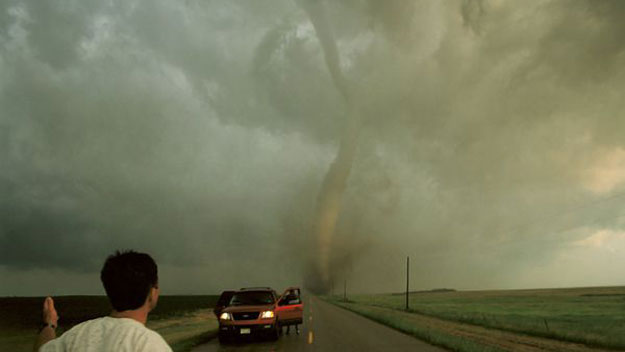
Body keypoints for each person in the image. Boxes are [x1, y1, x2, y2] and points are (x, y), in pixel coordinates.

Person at [34, 250, 172, 352]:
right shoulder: (150, 344)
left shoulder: (76, 335)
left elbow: (42, 349)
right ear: (153, 292)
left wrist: (49, 324)